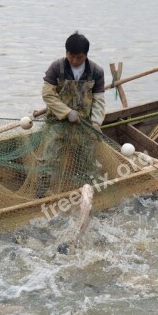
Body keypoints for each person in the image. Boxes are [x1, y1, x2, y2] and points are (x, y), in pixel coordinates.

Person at [38, 32, 105, 196]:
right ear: (66, 52)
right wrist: (67, 113)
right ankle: (40, 194)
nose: (74, 61)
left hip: (84, 124)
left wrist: (96, 122)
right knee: (48, 160)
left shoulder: (96, 71)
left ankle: (88, 192)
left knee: (88, 162)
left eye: (79, 57)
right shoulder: (56, 68)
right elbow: (48, 95)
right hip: (57, 123)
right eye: (71, 56)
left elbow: (98, 100)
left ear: (86, 55)